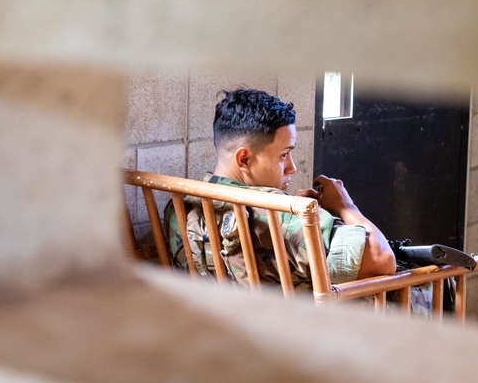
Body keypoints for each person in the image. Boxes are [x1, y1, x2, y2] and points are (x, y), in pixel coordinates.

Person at [165, 88, 396, 290]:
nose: (292, 167)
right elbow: (382, 258)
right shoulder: (281, 217)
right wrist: (345, 205)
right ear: (244, 159)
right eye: (283, 155)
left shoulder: (180, 207)